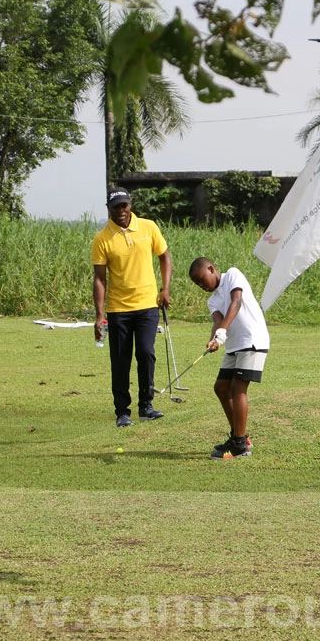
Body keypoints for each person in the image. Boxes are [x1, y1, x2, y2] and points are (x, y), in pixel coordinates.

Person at [92, 187, 172, 427]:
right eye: (116, 207)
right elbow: (99, 279)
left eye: (125, 205)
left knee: (146, 353)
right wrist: (98, 315)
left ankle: (146, 406)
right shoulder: (102, 239)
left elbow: (164, 256)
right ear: (109, 209)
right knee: (120, 360)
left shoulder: (148, 227)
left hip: (148, 305)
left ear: (130, 205)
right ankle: (122, 412)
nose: (122, 211)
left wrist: (165, 288)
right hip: (118, 309)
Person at [188, 257, 270, 459]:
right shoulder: (212, 299)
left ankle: (239, 445)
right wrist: (213, 339)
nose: (201, 286)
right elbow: (217, 320)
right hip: (233, 346)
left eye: (201, 279)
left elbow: (236, 302)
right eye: (197, 284)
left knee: (237, 388)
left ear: (211, 268)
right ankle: (239, 437)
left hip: (252, 340)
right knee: (221, 388)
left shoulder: (232, 274)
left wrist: (223, 330)